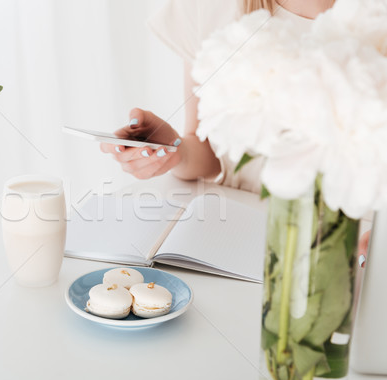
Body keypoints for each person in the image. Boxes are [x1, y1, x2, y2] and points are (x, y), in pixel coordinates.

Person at [100, 0, 371, 261]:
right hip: (238, 245)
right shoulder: (209, 6)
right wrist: (174, 150)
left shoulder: (372, 18)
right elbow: (206, 153)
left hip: (350, 254)